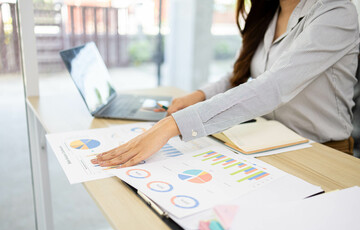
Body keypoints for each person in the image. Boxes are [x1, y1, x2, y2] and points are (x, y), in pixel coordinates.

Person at [91, 0, 359, 168]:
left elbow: (271, 87)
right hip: (271, 142)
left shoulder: (336, 12)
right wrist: (197, 95)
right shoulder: (268, 13)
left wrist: (172, 126)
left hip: (323, 152)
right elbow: (238, 75)